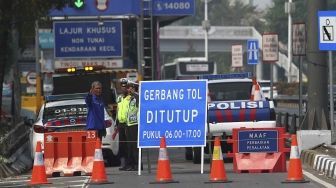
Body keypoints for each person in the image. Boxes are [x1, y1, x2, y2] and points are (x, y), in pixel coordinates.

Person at [125, 82, 140, 171]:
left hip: (135, 124)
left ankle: (137, 164)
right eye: (128, 88)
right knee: (130, 146)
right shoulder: (129, 98)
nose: (129, 89)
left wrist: (134, 93)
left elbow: (139, 106)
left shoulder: (136, 97)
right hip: (129, 124)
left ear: (134, 88)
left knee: (135, 146)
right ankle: (131, 164)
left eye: (131, 88)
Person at [116, 78, 130, 171]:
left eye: (125, 87)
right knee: (122, 145)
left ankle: (131, 163)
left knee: (130, 145)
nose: (123, 89)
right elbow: (118, 110)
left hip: (129, 124)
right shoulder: (119, 98)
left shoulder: (131, 97)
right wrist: (116, 122)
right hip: (121, 123)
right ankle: (124, 164)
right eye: (122, 87)